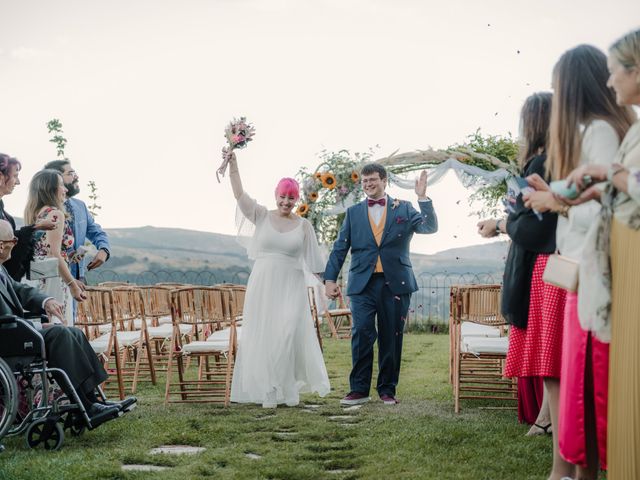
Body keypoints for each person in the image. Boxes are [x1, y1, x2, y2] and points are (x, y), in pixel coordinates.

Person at [524, 44, 635, 480]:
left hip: (592, 276)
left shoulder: (599, 131)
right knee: (579, 391)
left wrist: (556, 203)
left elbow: (611, 210)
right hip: (583, 277)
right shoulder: (601, 128)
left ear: (571, 87)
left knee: (587, 393)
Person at [562, 29, 640, 479]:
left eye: (616, 72)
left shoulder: (604, 131)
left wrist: (606, 172)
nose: (611, 83)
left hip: (626, 262)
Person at [477, 92, 563, 436]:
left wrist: (500, 225)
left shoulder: (541, 164)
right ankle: (547, 419)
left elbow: (531, 225)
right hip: (554, 261)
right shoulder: (561, 160)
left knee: (550, 354)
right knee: (552, 352)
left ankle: (553, 426)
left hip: (543, 266)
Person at [325, 163, 438, 406]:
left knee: (391, 336)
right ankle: (359, 390)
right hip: (362, 285)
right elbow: (339, 248)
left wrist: (422, 197)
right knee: (362, 333)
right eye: (365, 181)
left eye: (373, 180)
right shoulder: (353, 213)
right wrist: (329, 279)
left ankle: (387, 390)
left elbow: (429, 227)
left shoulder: (405, 208)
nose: (368, 185)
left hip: (395, 284)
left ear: (385, 180)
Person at [0, 219, 133, 422]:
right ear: (1, 245)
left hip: (15, 333)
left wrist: (46, 300)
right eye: (14, 239)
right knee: (60, 333)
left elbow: (20, 290)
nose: (16, 242)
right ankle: (86, 407)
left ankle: (94, 400)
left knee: (74, 333)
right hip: (9, 337)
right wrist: (36, 326)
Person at [225, 152, 330, 408]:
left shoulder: (304, 226)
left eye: (291, 198)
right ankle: (270, 388)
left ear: (297, 200)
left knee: (288, 331)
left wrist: (330, 284)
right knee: (266, 335)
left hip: (291, 285)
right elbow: (240, 195)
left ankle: (287, 386)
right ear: (276, 195)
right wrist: (234, 166)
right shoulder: (261, 216)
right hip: (264, 283)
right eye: (282, 196)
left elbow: (315, 262)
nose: (286, 202)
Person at [24, 169, 86, 325]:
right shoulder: (55, 214)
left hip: (37, 275)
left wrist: (68, 257)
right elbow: (54, 254)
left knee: (45, 325)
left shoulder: (35, 213)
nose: (65, 190)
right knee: (59, 325)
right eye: (61, 185)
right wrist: (72, 285)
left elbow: (44, 250)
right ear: (50, 189)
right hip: (54, 278)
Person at [44, 160, 111, 282]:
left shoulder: (80, 206)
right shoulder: (45, 211)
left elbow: (96, 232)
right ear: (56, 178)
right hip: (55, 279)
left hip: (79, 279)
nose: (77, 177)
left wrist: (104, 249)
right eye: (71, 173)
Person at [0, 153, 56, 281]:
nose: (18, 182)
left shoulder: (6, 215)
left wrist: (52, 269)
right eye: (15, 176)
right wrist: (36, 227)